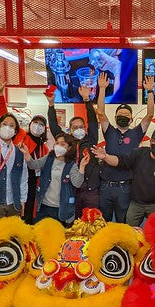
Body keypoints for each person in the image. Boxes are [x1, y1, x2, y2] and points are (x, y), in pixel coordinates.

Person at [96, 73, 155, 222]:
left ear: (131, 119)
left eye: (126, 114)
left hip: (125, 188)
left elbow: (149, 115)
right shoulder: (109, 131)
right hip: (105, 187)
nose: (123, 116)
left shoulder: (136, 133)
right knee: (104, 222)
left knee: (122, 222)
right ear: (115, 118)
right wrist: (102, 88)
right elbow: (101, 113)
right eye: (120, 114)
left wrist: (149, 91)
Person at [46, 83, 100, 217]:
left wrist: (87, 100)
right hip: (72, 188)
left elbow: (93, 120)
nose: (78, 129)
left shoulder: (91, 139)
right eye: (75, 127)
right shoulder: (67, 142)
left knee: (92, 220)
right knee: (72, 221)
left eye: (81, 127)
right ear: (70, 129)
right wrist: (51, 105)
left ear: (85, 128)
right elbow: (53, 127)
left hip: (91, 189)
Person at [20, 132, 88, 225]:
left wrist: (82, 167)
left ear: (69, 148)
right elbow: (34, 165)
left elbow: (77, 183)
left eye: (62, 144)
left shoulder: (71, 165)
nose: (58, 146)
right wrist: (26, 153)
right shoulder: (49, 158)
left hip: (61, 209)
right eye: (57, 143)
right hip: (44, 206)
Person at [22, 114, 49, 224]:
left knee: (32, 208)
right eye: (35, 123)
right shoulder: (23, 139)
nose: (38, 126)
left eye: (41, 124)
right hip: (22, 180)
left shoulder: (45, 147)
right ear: (30, 124)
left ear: (44, 129)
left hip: (36, 182)